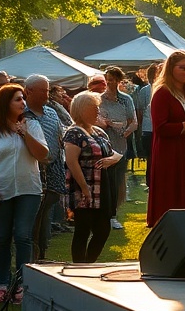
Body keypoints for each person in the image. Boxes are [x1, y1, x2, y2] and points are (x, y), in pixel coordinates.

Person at [0, 84, 49, 303]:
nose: (23, 103)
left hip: (28, 189)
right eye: (17, 99)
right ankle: (2, 285)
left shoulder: (32, 125)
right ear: (5, 104)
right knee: (2, 238)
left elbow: (42, 154)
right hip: (1, 189)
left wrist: (25, 133)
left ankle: (21, 285)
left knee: (22, 235)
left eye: (23, 99)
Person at [146, 51, 185, 228]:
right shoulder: (162, 94)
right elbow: (160, 128)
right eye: (182, 68)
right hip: (171, 151)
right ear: (171, 69)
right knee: (172, 190)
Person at [63, 91, 123, 262]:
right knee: (82, 230)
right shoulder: (74, 133)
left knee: (103, 230)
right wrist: (84, 188)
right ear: (82, 110)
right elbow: (72, 162)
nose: (98, 111)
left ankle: (88, 263)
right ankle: (80, 267)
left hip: (102, 188)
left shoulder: (98, 131)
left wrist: (111, 159)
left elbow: (116, 154)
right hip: (84, 189)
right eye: (93, 108)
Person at [23, 75, 65, 261]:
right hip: (33, 172)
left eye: (48, 90)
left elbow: (58, 136)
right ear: (29, 91)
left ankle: (42, 253)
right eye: (43, 90)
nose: (47, 94)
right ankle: (33, 257)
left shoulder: (52, 113)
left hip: (53, 171)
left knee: (45, 215)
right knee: (33, 218)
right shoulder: (22, 114)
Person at [99, 67, 137, 230]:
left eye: (113, 79)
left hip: (120, 145)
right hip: (103, 144)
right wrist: (107, 124)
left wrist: (125, 132)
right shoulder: (100, 99)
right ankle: (103, 215)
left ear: (118, 80)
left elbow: (133, 121)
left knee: (117, 181)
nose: (110, 82)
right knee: (104, 181)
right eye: (108, 78)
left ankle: (113, 214)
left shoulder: (126, 99)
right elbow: (96, 119)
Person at [133, 62, 160, 168]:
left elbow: (139, 111)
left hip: (147, 128)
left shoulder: (144, 91)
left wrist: (140, 126)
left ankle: (150, 181)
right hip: (153, 128)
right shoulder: (163, 89)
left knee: (150, 158)